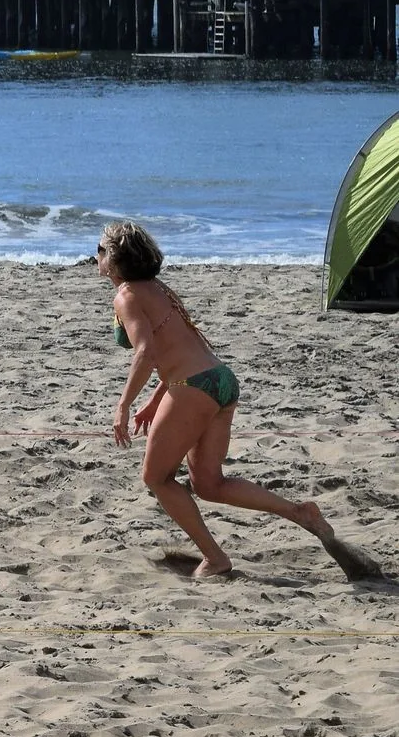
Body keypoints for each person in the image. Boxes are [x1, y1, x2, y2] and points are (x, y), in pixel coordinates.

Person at [100, 220, 361, 579]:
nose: (95, 256)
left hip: (194, 386)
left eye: (100, 250)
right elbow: (182, 346)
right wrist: (155, 399)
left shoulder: (127, 295)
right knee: (209, 484)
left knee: (156, 478)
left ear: (114, 260)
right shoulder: (158, 288)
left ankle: (216, 558)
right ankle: (299, 512)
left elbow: (145, 352)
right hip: (219, 379)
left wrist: (123, 405)